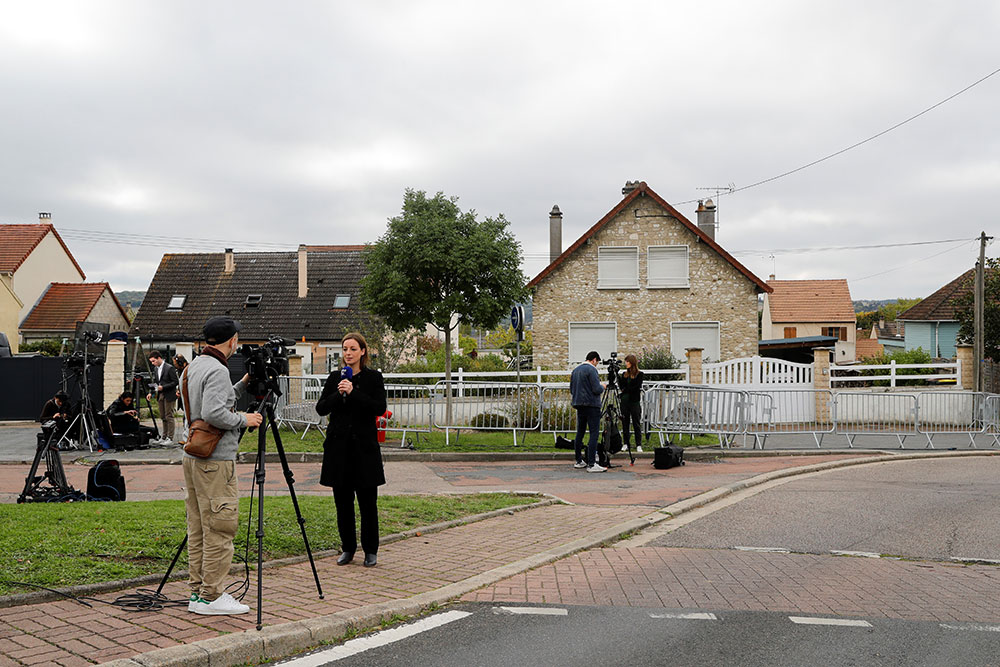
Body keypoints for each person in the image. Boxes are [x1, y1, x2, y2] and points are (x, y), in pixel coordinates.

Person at [181, 316, 262, 616]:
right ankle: (211, 596)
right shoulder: (216, 369)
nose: (238, 343)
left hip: (194, 456)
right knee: (220, 528)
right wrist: (246, 419)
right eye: (237, 338)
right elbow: (215, 412)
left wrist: (241, 385)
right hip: (215, 463)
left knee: (199, 528)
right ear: (230, 340)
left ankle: (198, 592)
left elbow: (209, 402)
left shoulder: (194, 366)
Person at [316, 332, 387, 568]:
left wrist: (354, 392)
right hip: (339, 450)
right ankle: (347, 548)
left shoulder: (373, 378)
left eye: (353, 349)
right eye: (345, 348)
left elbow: (379, 407)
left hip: (364, 450)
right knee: (343, 503)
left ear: (363, 351)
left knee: (368, 503)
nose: (348, 353)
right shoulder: (335, 377)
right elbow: (321, 408)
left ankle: (371, 550)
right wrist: (340, 393)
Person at [570, 351, 606, 473]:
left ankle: (579, 460)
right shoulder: (591, 370)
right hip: (592, 404)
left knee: (580, 432)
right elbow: (596, 389)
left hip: (579, 404)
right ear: (594, 360)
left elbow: (571, 388)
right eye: (597, 363)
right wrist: (603, 387)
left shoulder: (575, 370)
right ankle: (591, 463)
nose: (597, 365)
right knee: (594, 433)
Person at [146, 350, 179, 445]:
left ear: (159, 358)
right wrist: (151, 393)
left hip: (169, 394)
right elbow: (156, 382)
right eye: (151, 361)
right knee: (163, 416)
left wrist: (163, 387)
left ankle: (170, 438)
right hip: (160, 395)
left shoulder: (169, 368)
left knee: (169, 416)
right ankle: (164, 436)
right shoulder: (156, 369)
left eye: (154, 361)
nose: (153, 363)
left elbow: (175, 382)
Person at [619, 354, 645, 453]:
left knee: (636, 423)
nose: (626, 363)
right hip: (625, 401)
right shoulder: (624, 374)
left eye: (627, 362)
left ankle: (638, 444)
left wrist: (626, 390)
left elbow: (636, 386)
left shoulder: (640, 374)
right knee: (625, 423)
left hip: (634, 401)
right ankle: (625, 443)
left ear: (632, 362)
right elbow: (622, 386)